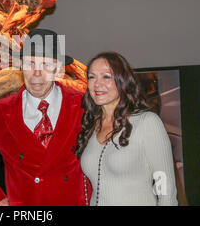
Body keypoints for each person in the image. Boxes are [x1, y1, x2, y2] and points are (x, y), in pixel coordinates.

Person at [0, 28, 89, 206]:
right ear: (20, 66)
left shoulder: (82, 105)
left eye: (45, 65)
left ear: (59, 70)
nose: (37, 74)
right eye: (30, 64)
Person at [75, 52, 178, 206]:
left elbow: (166, 191)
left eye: (106, 77)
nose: (97, 84)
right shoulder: (91, 126)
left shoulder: (147, 122)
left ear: (122, 81)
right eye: (92, 77)